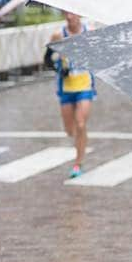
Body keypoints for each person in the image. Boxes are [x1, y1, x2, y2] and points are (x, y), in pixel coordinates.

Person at [48, 12, 95, 178]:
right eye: (65, 13)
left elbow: (98, 55)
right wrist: (59, 68)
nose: (69, 16)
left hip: (85, 84)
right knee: (70, 129)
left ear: (79, 15)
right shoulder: (58, 34)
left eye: (72, 13)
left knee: (81, 123)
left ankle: (78, 163)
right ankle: (79, 143)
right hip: (66, 87)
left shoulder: (89, 32)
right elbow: (47, 59)